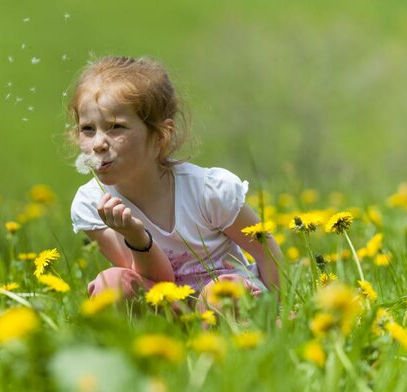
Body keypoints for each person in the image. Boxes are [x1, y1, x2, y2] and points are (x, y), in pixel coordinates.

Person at [68, 56, 281, 311]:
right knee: (111, 283)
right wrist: (136, 237)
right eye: (88, 129)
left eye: (116, 127)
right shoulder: (92, 205)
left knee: (220, 294)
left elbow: (265, 252)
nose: (98, 143)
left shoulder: (207, 191)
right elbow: (158, 282)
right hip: (166, 307)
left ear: (159, 135)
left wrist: (279, 311)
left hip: (224, 307)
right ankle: (149, 346)